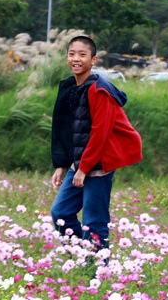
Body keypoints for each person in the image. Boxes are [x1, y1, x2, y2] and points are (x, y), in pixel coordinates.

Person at [50, 35, 143, 272]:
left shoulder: (100, 90)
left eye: (82, 55)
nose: (76, 59)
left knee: (94, 221)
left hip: (98, 166)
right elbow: (67, 129)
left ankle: (97, 270)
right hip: (78, 164)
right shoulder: (71, 88)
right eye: (72, 54)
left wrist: (84, 168)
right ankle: (86, 253)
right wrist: (62, 164)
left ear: (94, 59)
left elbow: (99, 133)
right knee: (60, 212)